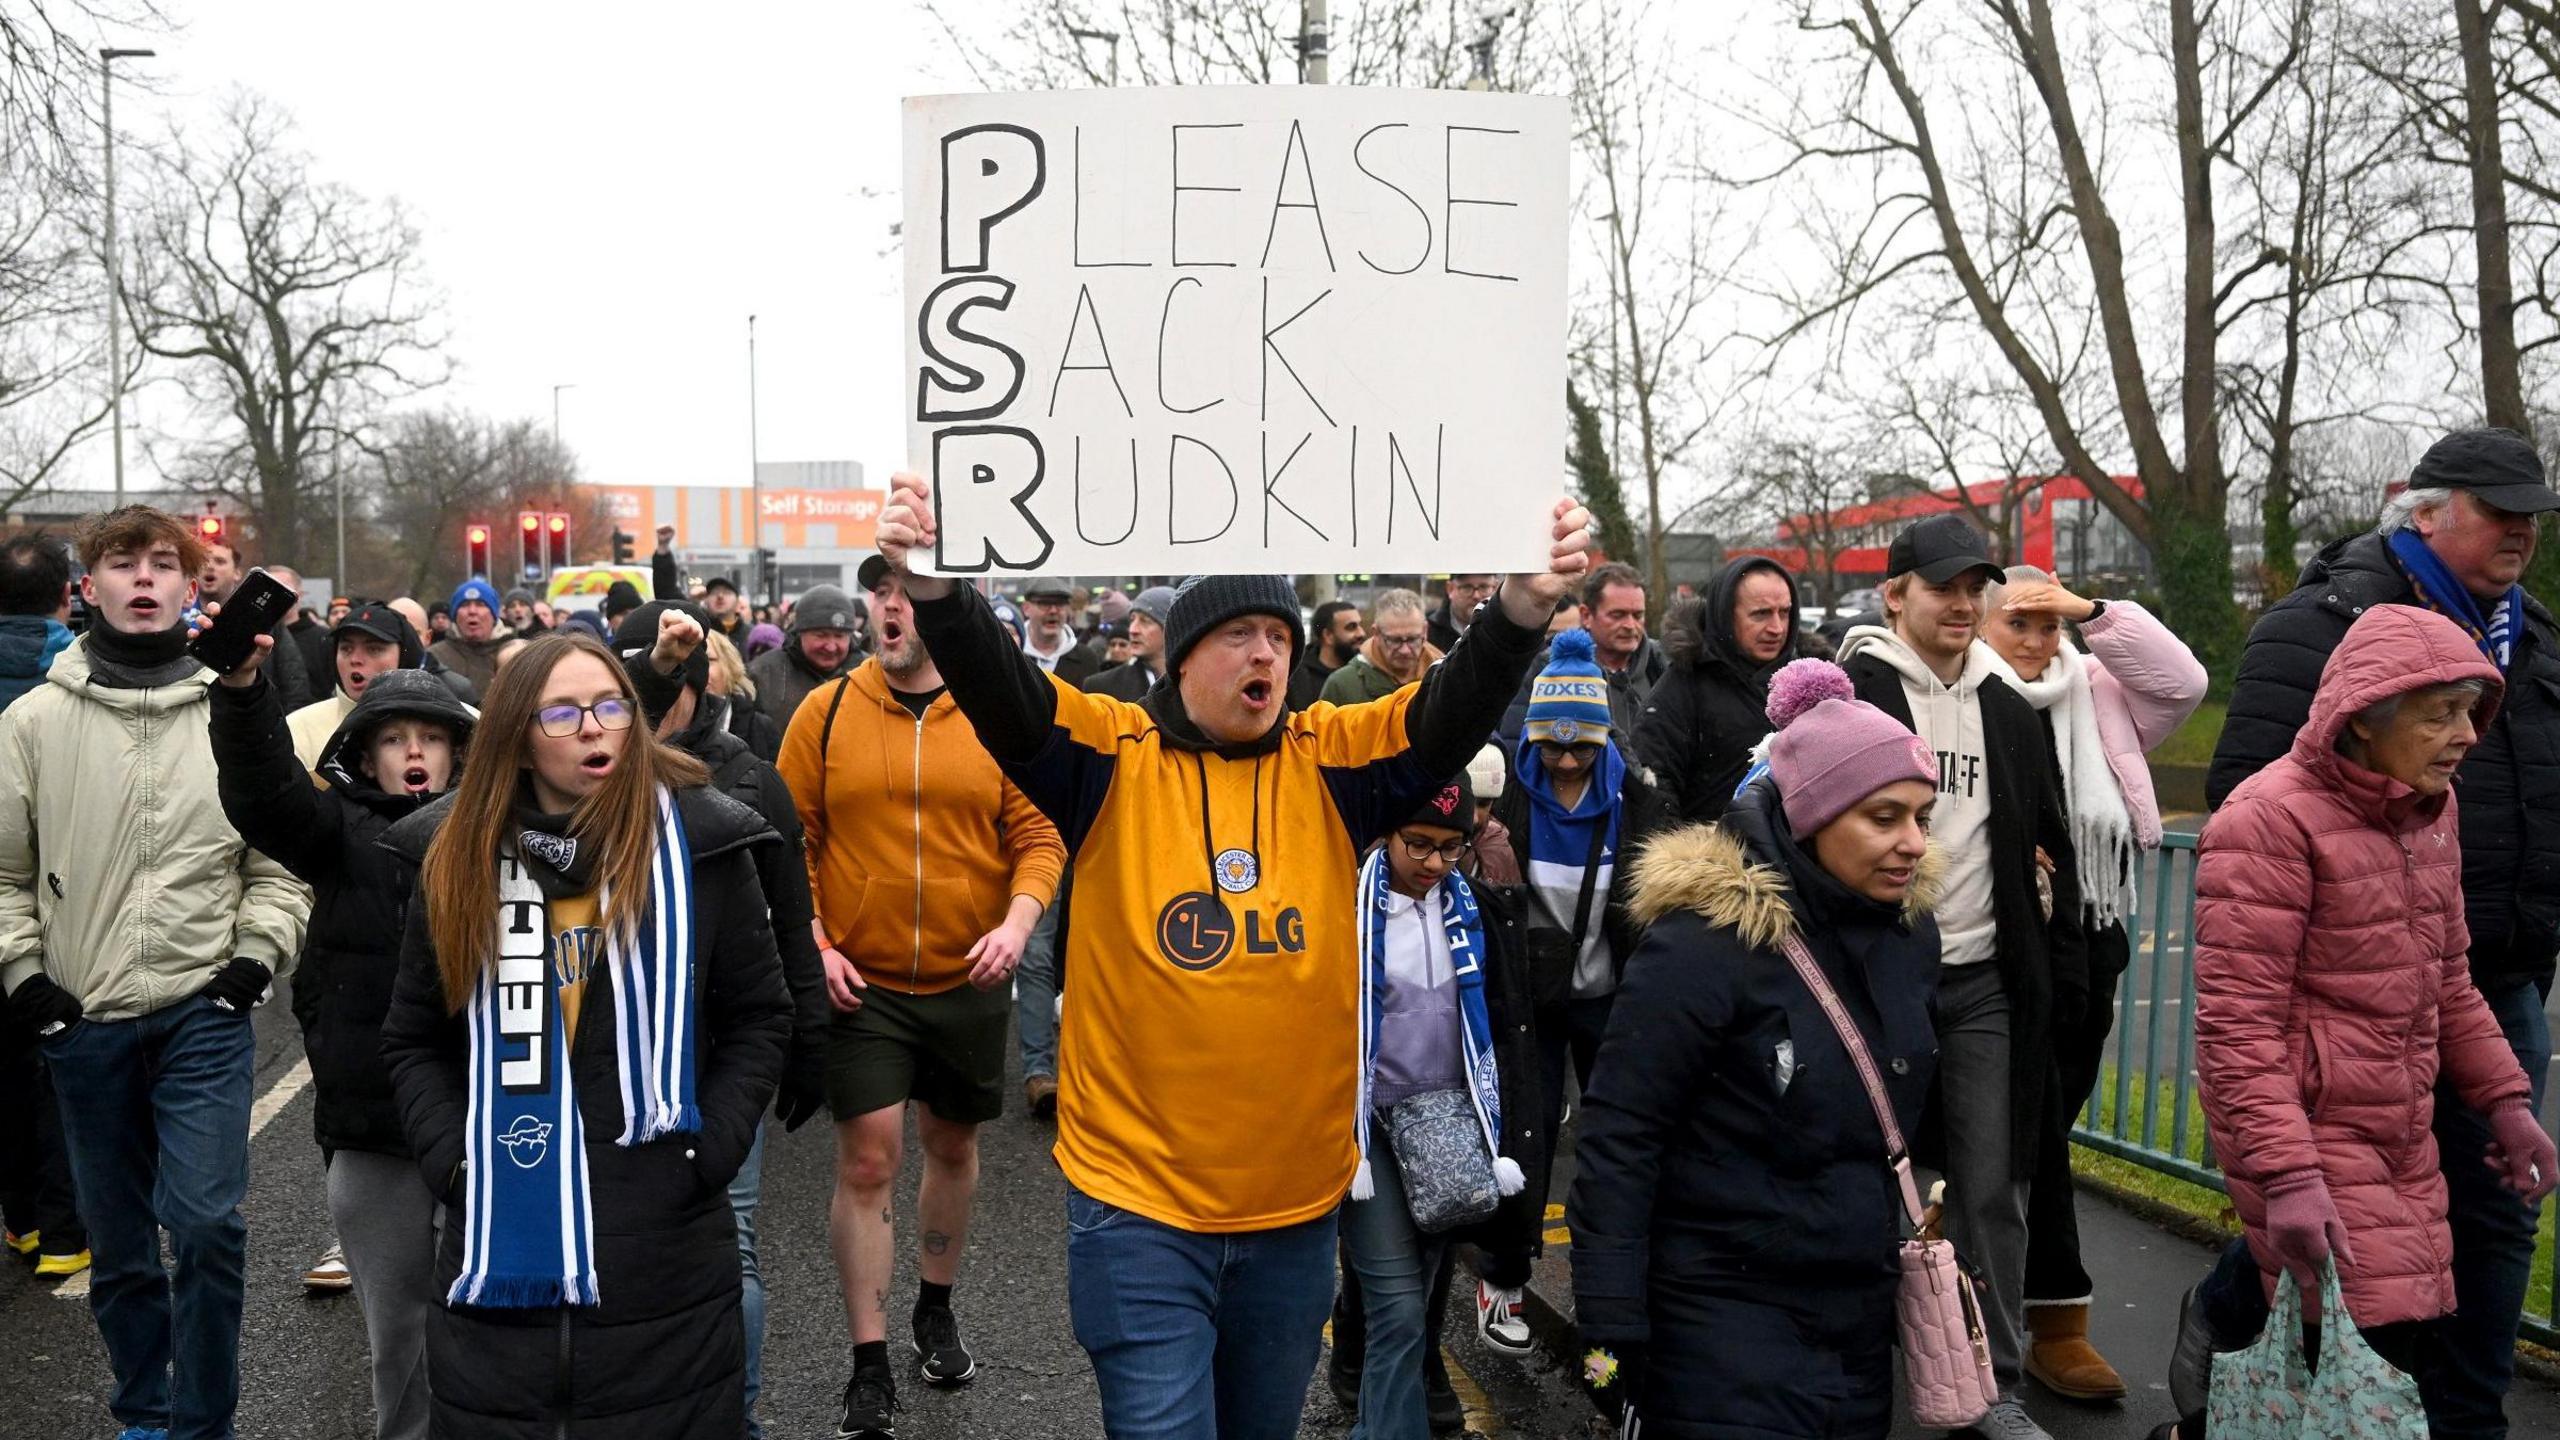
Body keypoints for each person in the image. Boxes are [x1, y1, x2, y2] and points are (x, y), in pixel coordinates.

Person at [876, 469, 1588, 1439]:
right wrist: (935, 591)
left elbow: (1440, 717)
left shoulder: (1330, 760)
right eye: (1238, 636)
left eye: (1281, 639)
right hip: (1138, 1205)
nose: (1266, 653)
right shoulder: (1109, 754)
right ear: (1180, 658)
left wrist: (1514, 610)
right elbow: (1006, 698)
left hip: (1293, 1210)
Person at [2199, 427, 2560, 1438]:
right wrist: (2289, 1166)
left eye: (2467, 714)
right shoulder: (2317, 633)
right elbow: (2240, 1003)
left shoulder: (2520, 652)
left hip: (2466, 1002)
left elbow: (2452, 977)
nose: (2523, 529)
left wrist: (2507, 1099)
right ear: (2428, 513)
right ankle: (2240, 1352)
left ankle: (2451, 1420)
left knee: (2456, 1254)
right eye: (2499, 510)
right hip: (2321, 1057)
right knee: (2353, 1289)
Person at [376, 631, 792, 1440]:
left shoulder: (703, 846)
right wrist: (457, 1163)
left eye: (610, 707)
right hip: (500, 1232)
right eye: (562, 714)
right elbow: (413, 1037)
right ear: (517, 739)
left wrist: (707, 1154)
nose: (595, 728)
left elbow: (760, 1014)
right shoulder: (455, 856)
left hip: (664, 1248)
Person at [1572, 658, 1946, 1439]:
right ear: (1812, 815)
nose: (1912, 843)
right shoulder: (1702, 945)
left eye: (1922, 816)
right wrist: (1612, 1324)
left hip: (1857, 1327)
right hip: (1718, 1324)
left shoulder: (1908, 935)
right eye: (1884, 817)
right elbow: (1620, 1137)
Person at [0, 505, 312, 1440]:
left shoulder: (243, 712)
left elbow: (280, 861)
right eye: (123, 564)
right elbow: (4, 874)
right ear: (85, 588)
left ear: (192, 586)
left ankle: (203, 1422)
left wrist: (254, 963)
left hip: (202, 1013)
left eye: (164, 565)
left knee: (209, 1225)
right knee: (124, 1250)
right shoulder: (32, 722)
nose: (145, 580)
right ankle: (145, 1411)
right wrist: (27, 981)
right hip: (81, 1019)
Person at [775, 552, 1066, 1439]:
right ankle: (867, 1367)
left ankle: (933, 1309)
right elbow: (791, 842)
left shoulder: (993, 713)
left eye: (907, 592)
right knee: (868, 1162)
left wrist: (1017, 926)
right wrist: (816, 942)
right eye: (880, 592)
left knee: (951, 1148)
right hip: (862, 985)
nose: (891, 607)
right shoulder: (822, 715)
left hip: (968, 978)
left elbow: (1039, 832)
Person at [1835, 513, 2083, 1440]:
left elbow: (2041, 835)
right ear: (1895, 594)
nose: (1964, 605)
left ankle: (1992, 1387)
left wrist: (2062, 964)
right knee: (1860, 1179)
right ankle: (1857, 1367)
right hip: (1872, 980)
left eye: (1976, 589)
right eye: (1945, 588)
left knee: (1988, 1187)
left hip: (1982, 980)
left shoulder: (2011, 707)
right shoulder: (1852, 696)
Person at [207, 628, 476, 1440]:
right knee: (396, 1334)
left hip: (486, 1119)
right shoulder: (336, 835)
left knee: (489, 1320)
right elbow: (260, 794)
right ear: (365, 758)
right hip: (371, 1125)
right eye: (394, 739)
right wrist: (246, 691)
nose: (415, 752)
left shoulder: (500, 833)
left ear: (460, 753)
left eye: (432, 736)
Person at [1977, 566, 2205, 1402]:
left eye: (2049, 627)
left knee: (2048, 1119)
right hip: (2001, 939)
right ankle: (2042, 1317)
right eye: (2019, 624)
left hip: (2091, 931)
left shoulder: (2096, 687)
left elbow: (2184, 682)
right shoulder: (1962, 694)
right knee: (2016, 1126)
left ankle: (1985, 1292)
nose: (2039, 643)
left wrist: (2090, 612)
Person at [613, 601, 829, 1440]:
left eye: (658, 692)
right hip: (606, 1054)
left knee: (727, 1246)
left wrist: (809, 1035)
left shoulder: (747, 777)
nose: (627, 720)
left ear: (696, 690)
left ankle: (734, 1419)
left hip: (713, 1055)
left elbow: (790, 914)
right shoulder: (589, 776)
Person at [1337, 773, 1540, 1440]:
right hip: (1365, 1132)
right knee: (1397, 1308)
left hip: (1448, 1124)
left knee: (1414, 1310)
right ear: (1384, 835)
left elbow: (1505, 1027)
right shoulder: (1342, 903)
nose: (1432, 864)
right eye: (1417, 844)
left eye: (1450, 848)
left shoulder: (1478, 909)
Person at [0, 530, 85, 1285]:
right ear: (69, 593)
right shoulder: (79, 673)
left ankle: (20, 1219)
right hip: (55, 894)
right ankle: (62, 1234)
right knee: (57, 1066)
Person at [1637, 555, 1802, 823]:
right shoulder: (1683, 686)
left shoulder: (1805, 681)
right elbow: (1652, 787)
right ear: (1726, 615)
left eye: (1784, 612)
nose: (1777, 628)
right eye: (1761, 614)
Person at [1499, 563, 1666, 746]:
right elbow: (1517, 744)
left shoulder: (1662, 665)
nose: (1630, 625)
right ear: (1586, 616)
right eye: (1618, 615)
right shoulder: (1549, 668)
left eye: (1638, 615)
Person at [286, 602, 431, 770]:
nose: (355, 659)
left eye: (374, 649)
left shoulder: (456, 721)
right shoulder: (300, 729)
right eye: (346, 648)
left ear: (406, 655)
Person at [746, 582, 859, 735]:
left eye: (840, 636)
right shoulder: (761, 673)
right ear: (800, 633)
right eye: (821, 635)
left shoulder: (869, 674)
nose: (831, 646)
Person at [1322, 589, 1442, 706]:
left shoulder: (1444, 679)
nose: (1404, 650)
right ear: (1376, 633)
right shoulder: (1342, 685)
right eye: (1394, 640)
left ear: (1425, 631)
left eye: (1412, 639)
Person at [1083, 585, 1176, 703]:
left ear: (1170, 628)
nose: (1133, 630)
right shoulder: (1101, 687)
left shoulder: (1193, 682)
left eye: (1145, 621)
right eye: (1132, 620)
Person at [429, 578, 511, 698]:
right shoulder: (435, 657)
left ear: (494, 615)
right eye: (465, 605)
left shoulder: (514, 653)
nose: (472, 611)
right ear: (455, 615)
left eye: (480, 604)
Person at [1016, 574, 1100, 685]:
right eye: (1045, 603)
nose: (1053, 611)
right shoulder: (1013, 654)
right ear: (1026, 608)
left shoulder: (1087, 658)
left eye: (1060, 604)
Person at [1290, 599, 1367, 709]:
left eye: (1360, 625)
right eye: (1351, 627)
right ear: (1328, 635)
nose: (1361, 633)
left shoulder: (1366, 671)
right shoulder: (1298, 679)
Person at [1427, 573, 1497, 653]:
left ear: (1495, 588)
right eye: (1467, 587)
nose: (1476, 596)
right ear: (1450, 589)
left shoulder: (1505, 630)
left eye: (1484, 587)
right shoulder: (1428, 632)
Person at [697, 574, 750, 643]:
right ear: (706, 601)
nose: (720, 596)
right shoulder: (699, 632)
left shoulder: (751, 634)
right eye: (714, 592)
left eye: (726, 592)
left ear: (737, 601)